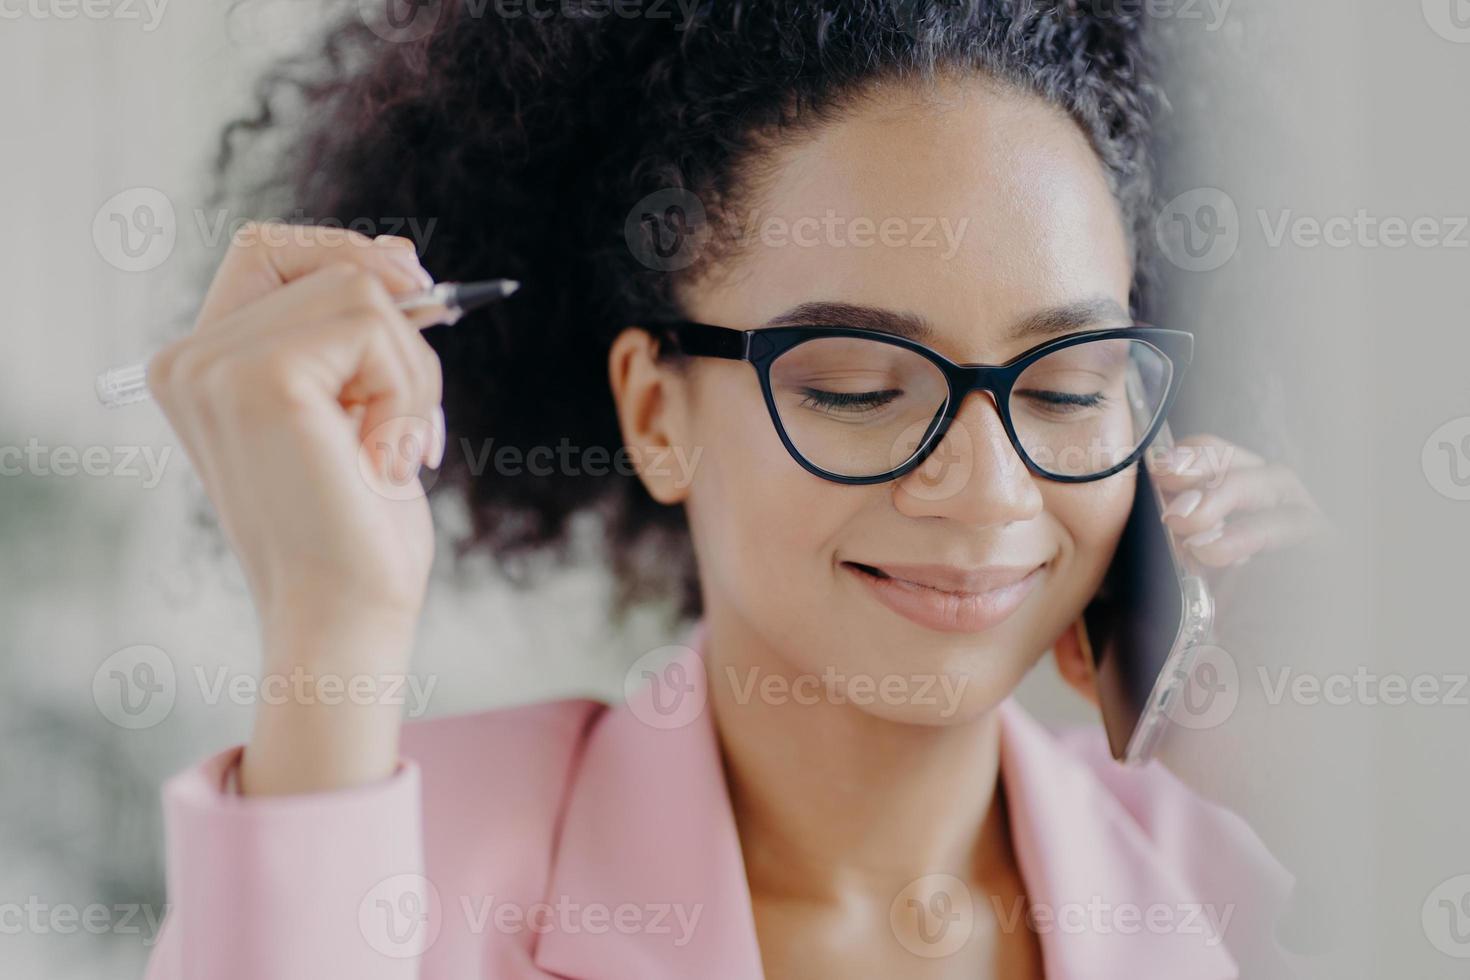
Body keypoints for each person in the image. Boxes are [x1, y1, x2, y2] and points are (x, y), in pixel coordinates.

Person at [142, 2, 1324, 977]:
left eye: (1069, 386)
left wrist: (1332, 758)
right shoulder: (404, 855)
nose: (989, 487)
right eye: (860, 387)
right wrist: (331, 618)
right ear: (659, 413)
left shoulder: (1248, 873)